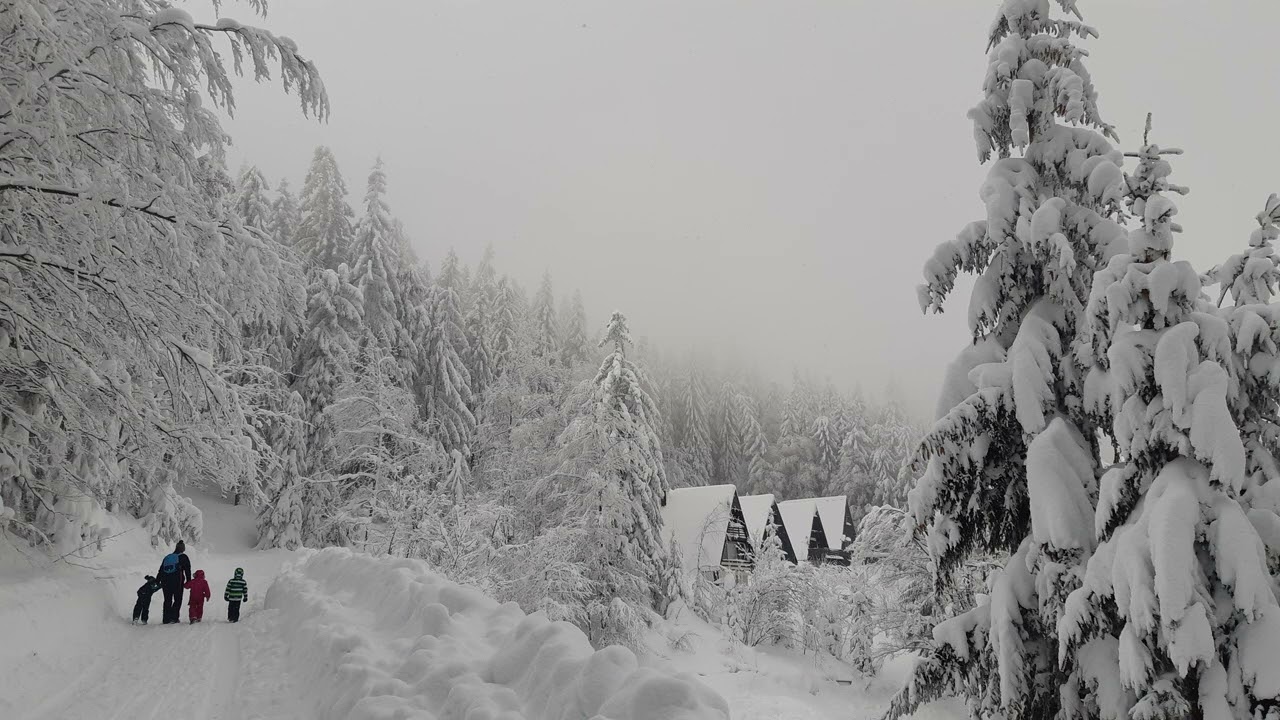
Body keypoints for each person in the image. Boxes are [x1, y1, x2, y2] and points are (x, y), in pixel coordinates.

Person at [157, 540, 192, 624]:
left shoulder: (167, 557)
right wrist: (189, 581)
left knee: (167, 600)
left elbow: (161, 570)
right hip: (177, 581)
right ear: (183, 549)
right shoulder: (184, 557)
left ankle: (166, 619)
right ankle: (174, 618)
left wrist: (157, 580)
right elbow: (187, 570)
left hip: (165, 581)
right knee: (177, 599)